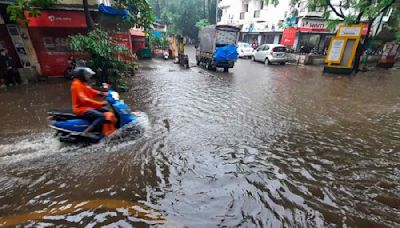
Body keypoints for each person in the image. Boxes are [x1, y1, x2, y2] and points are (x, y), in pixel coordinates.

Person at [71, 67, 108, 135]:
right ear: (81, 75)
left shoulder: (83, 83)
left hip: (87, 107)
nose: (89, 77)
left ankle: (103, 129)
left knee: (107, 111)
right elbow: (84, 100)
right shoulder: (76, 84)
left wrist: (106, 94)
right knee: (102, 116)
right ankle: (85, 133)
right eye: (87, 75)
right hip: (81, 109)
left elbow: (92, 92)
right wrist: (101, 103)